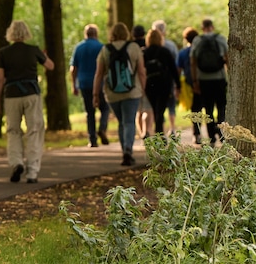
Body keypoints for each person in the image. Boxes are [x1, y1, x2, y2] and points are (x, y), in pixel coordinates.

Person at [0, 20, 55, 184]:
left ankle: (17, 162)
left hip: (11, 95)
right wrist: (44, 55)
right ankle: (32, 172)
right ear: (26, 33)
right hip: (31, 94)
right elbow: (50, 66)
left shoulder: (4, 53)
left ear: (10, 34)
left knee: (13, 131)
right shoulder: (33, 50)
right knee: (34, 130)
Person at [94, 22, 146, 166]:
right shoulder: (134, 47)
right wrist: (143, 88)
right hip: (132, 91)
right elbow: (141, 71)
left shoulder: (105, 50)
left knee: (121, 122)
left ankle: (125, 150)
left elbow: (98, 74)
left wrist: (95, 94)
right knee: (129, 121)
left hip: (112, 93)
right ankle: (128, 150)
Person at [69, 24, 110, 148]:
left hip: (84, 83)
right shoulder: (101, 47)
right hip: (100, 84)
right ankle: (102, 128)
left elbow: (73, 68)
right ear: (96, 34)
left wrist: (74, 85)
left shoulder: (79, 47)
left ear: (85, 34)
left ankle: (92, 139)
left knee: (89, 112)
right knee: (105, 108)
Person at [190, 18, 229, 145]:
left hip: (204, 79)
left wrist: (195, 80)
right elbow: (228, 58)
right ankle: (222, 133)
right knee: (222, 107)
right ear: (212, 27)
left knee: (208, 109)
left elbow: (193, 61)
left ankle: (211, 137)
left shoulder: (197, 40)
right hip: (219, 78)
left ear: (202, 28)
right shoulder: (220, 39)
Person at [143, 29, 179, 136]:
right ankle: (159, 132)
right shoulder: (165, 51)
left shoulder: (145, 52)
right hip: (164, 84)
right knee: (161, 109)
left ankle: (159, 132)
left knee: (155, 108)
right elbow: (173, 69)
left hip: (150, 84)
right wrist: (178, 85)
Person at [152, 20, 179, 133]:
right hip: (169, 80)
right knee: (171, 105)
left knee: (158, 107)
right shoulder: (170, 45)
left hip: (154, 81)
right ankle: (172, 128)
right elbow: (176, 64)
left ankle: (160, 129)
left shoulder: (150, 47)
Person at [177, 27, 201, 143]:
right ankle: (213, 132)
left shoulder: (183, 53)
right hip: (205, 81)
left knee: (195, 109)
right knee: (209, 107)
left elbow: (178, 69)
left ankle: (197, 133)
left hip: (190, 83)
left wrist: (177, 85)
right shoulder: (201, 50)